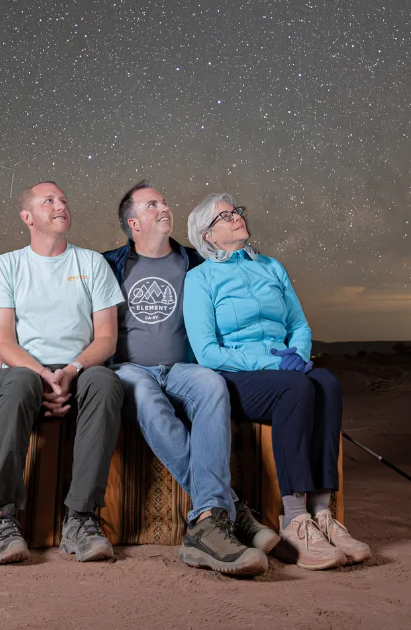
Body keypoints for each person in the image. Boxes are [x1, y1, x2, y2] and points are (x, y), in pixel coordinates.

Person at [183, 194, 372, 571]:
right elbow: (207, 351)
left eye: (237, 210)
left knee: (327, 383)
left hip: (286, 367)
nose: (237, 216)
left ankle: (323, 515)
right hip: (237, 377)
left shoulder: (272, 267)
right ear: (207, 235)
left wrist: (298, 355)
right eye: (226, 215)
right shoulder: (199, 279)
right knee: (298, 388)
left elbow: (299, 324)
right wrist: (274, 361)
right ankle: (295, 520)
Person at [102, 182, 274, 576]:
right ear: (133, 222)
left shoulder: (197, 261)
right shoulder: (108, 264)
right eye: (152, 204)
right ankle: (224, 511)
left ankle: (210, 521)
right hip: (130, 369)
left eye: (164, 200)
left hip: (183, 368)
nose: (164, 207)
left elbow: (233, 304)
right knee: (146, 398)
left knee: (212, 386)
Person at [0, 181, 125, 565]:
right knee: (20, 380)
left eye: (63, 200)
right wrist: (43, 373)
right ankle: (2, 520)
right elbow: (4, 344)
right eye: (49, 201)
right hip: (25, 372)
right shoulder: (5, 265)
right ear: (27, 217)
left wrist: (73, 370)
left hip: (80, 370)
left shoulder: (92, 263)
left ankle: (81, 519)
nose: (61, 205)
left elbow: (106, 338)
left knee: (106, 382)